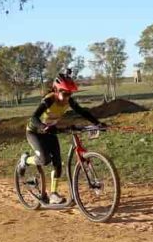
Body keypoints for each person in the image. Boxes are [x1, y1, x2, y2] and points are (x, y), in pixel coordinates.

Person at [20, 73, 103, 205]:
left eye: (70, 94)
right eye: (65, 94)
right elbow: (33, 118)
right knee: (44, 160)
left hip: (50, 132)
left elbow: (82, 111)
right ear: (56, 90)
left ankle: (53, 194)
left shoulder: (68, 100)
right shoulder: (49, 100)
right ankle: (25, 160)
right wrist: (43, 127)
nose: (67, 98)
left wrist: (97, 123)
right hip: (34, 132)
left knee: (58, 164)